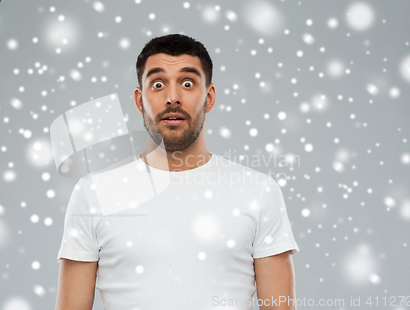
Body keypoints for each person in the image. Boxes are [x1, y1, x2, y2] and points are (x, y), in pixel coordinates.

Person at [55, 34, 299, 310]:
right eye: (158, 84)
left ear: (209, 98)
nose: (173, 98)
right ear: (139, 101)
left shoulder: (258, 192)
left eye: (187, 83)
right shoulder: (94, 194)